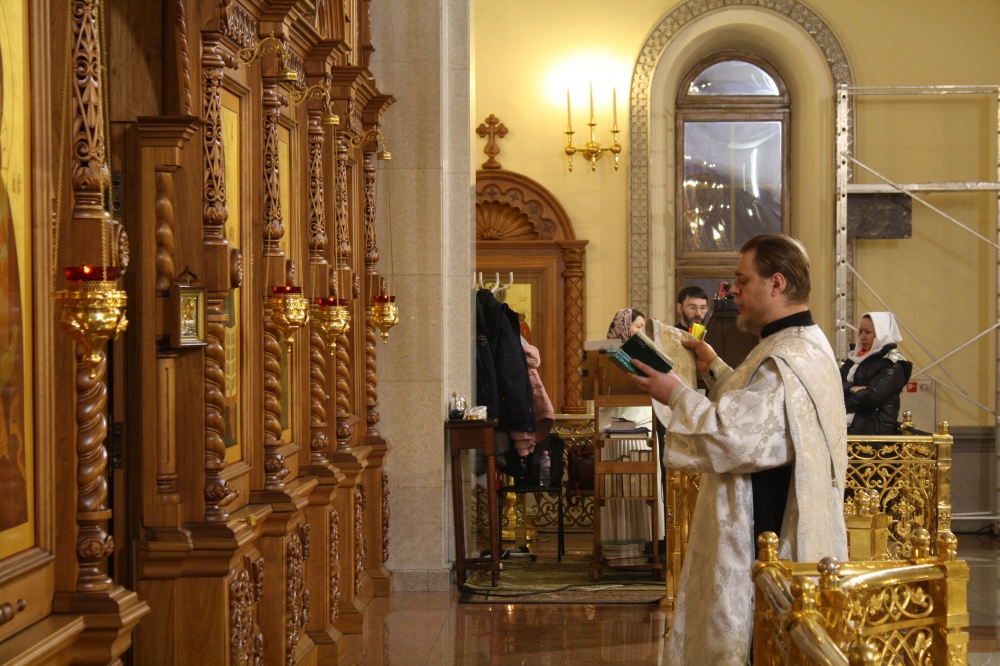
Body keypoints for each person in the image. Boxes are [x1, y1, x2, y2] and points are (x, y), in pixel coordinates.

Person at [630, 234, 848, 665]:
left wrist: (675, 393)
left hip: (765, 534)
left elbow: (738, 437)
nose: (733, 292)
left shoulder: (784, 358)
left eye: (743, 280)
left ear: (777, 283)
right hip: (786, 516)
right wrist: (713, 369)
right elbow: (761, 411)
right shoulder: (803, 344)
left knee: (753, 644)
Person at [841, 312, 913, 435]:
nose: (862, 337)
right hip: (845, 431)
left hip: (873, 436)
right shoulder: (853, 359)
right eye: (860, 331)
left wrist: (838, 405)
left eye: (867, 332)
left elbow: (870, 397)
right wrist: (852, 388)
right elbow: (833, 386)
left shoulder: (893, 364)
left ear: (882, 334)